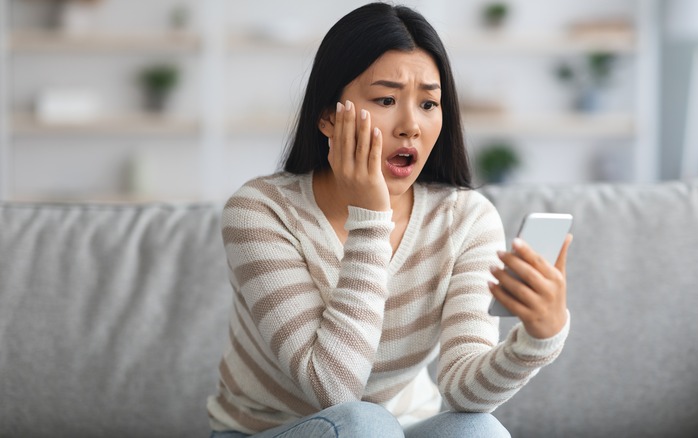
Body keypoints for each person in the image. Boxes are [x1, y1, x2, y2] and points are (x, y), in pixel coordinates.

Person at [207, 3, 573, 437]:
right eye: (385, 99)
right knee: (364, 422)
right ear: (328, 116)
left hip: (400, 429)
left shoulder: (465, 219)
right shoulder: (260, 211)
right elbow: (333, 389)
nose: (410, 126)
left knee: (480, 431)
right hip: (279, 431)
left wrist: (538, 338)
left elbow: (463, 393)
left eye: (428, 103)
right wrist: (371, 219)